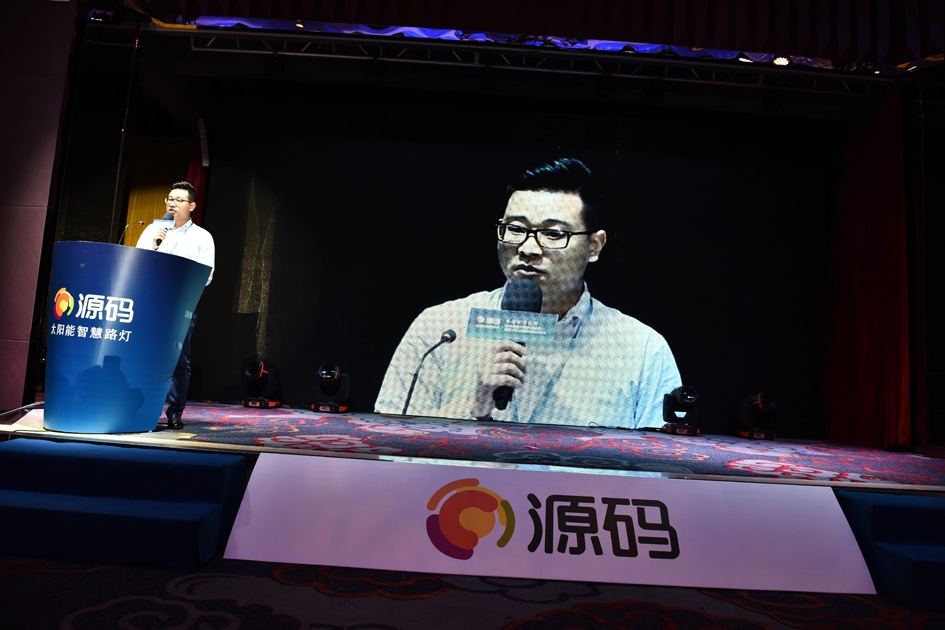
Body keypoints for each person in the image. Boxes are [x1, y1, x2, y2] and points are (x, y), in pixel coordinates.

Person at [374, 159, 681, 429]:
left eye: (553, 234)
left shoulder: (640, 349)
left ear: (594, 246)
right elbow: (386, 449)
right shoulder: (441, 328)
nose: (528, 248)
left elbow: (663, 466)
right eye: (516, 229)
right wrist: (472, 405)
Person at [135, 181, 215, 430]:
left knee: (179, 361)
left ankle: (175, 411)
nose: (172, 204)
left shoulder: (202, 236)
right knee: (144, 357)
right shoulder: (152, 230)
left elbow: (207, 275)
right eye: (170, 199)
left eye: (179, 200)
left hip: (181, 307)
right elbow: (138, 262)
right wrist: (154, 245)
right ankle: (141, 408)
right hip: (150, 304)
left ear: (192, 206)